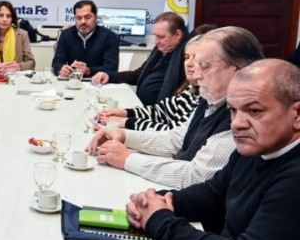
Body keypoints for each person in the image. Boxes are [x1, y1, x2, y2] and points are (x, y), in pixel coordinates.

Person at [126, 59, 300, 240]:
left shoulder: (294, 178)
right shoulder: (254, 149)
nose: (237, 124)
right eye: (233, 110)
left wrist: (159, 219)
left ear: (297, 115)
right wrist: (155, 200)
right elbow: (212, 194)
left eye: (254, 111)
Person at [87, 26, 265, 188]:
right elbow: (178, 139)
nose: (196, 72)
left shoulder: (241, 119)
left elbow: (195, 175)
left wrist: (127, 158)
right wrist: (124, 136)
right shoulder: (211, 99)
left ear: (238, 70)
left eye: (205, 66)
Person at [99, 24, 217, 131]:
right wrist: (125, 113)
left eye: (196, 58)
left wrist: (127, 122)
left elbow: (175, 134)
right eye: (187, 57)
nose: (188, 63)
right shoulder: (192, 89)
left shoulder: (207, 97)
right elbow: (162, 110)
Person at [91, 12, 188, 106]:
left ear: (177, 35)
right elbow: (138, 74)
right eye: (155, 36)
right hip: (141, 107)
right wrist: (109, 76)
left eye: (161, 37)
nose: (156, 41)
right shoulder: (160, 49)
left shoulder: (185, 57)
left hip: (157, 114)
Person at [52, 0, 119, 78]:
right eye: (79, 18)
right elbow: (57, 62)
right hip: (73, 82)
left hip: (100, 83)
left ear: (96, 17)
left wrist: (88, 70)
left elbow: (111, 67)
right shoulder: (66, 35)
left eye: (87, 17)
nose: (83, 21)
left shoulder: (109, 36)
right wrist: (60, 69)